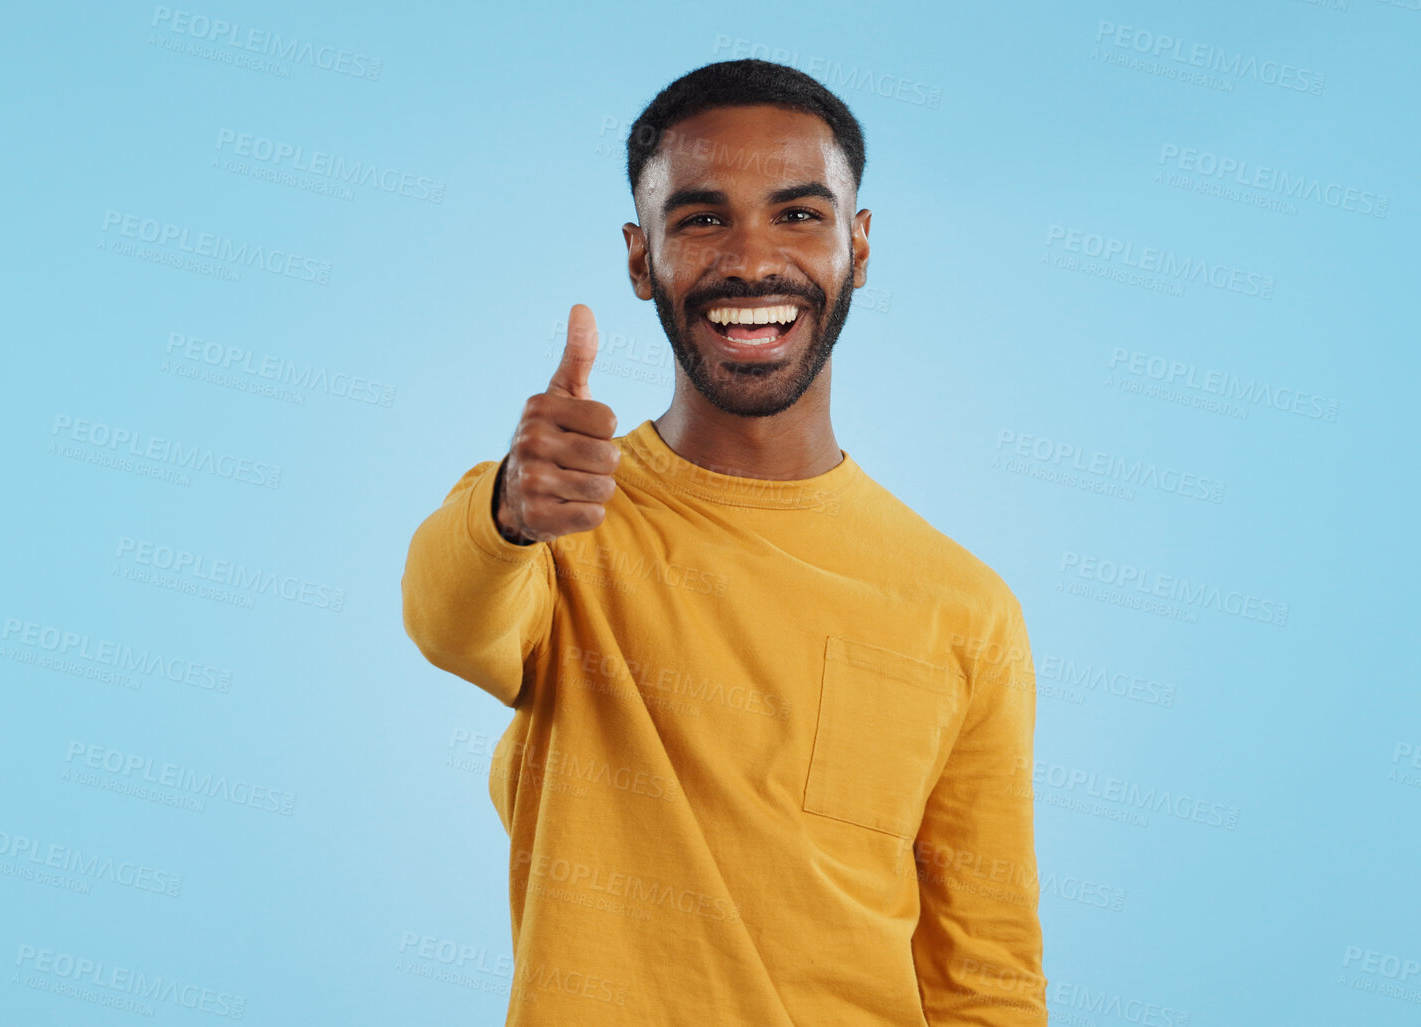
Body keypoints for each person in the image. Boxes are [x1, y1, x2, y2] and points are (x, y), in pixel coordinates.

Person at [403, 58, 1046, 1025]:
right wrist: (507, 510)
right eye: (701, 218)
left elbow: (985, 975)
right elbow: (446, 617)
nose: (751, 259)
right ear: (639, 258)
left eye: (798, 213)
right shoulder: (555, 520)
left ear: (858, 246)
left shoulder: (965, 606)